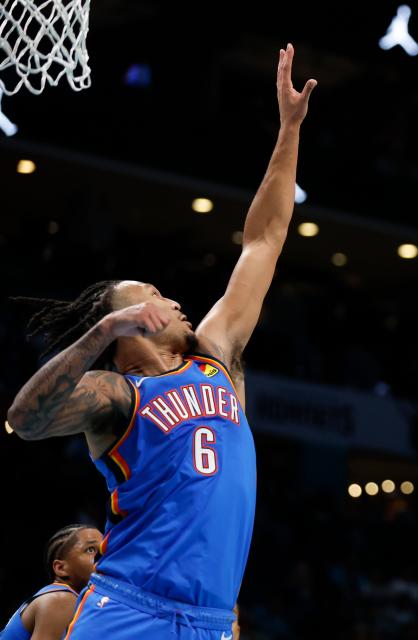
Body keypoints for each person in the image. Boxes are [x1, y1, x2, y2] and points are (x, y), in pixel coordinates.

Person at [5, 44, 316, 639]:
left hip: (212, 620)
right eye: (151, 291)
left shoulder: (214, 355)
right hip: (129, 605)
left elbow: (265, 239)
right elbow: (25, 419)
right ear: (127, 318)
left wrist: (290, 130)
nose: (173, 299)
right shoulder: (116, 395)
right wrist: (101, 332)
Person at [1, 524, 103, 640]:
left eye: (105, 550)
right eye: (91, 549)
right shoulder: (61, 599)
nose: (103, 557)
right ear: (61, 568)